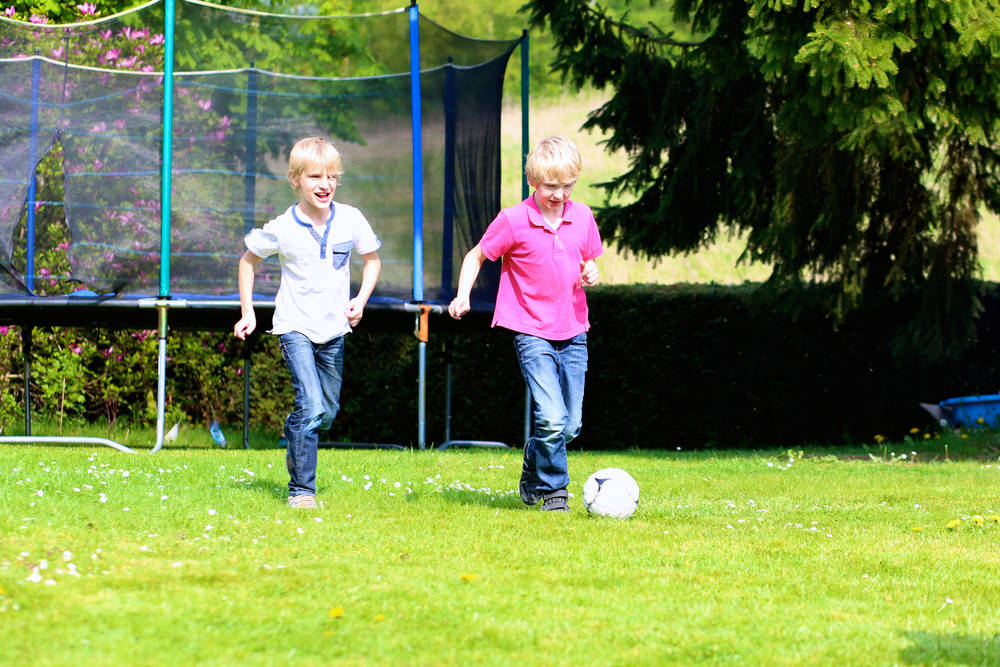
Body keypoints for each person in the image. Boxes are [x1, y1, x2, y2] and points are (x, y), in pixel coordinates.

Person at [448, 135, 603, 512]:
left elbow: (589, 260)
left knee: (569, 426)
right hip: (530, 331)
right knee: (550, 416)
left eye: (567, 185)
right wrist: (463, 295)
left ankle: (534, 458)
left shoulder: (581, 216)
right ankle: (555, 492)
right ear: (533, 180)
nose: (559, 194)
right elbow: (476, 255)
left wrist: (592, 271)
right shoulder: (513, 221)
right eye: (551, 186)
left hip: (573, 332)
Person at [234, 137, 381, 509]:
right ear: (294, 179)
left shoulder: (350, 218)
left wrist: (360, 302)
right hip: (294, 326)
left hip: (334, 330)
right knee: (312, 404)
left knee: (325, 413)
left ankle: (296, 425)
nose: (325, 184)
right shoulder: (283, 227)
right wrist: (248, 312)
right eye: (315, 176)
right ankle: (302, 491)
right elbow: (247, 261)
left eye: (332, 176)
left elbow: (372, 261)